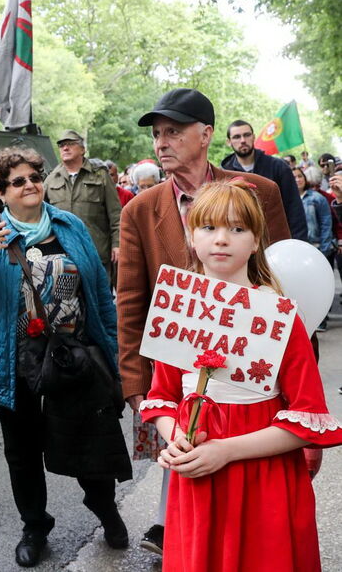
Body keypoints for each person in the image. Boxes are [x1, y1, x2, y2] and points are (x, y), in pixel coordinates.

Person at [117, 88, 292, 555]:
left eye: (173, 132)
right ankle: (182, 540)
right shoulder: (139, 210)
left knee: (249, 483)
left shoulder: (259, 192)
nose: (162, 142)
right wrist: (134, 383)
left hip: (251, 367)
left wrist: (296, 372)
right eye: (157, 134)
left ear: (206, 135)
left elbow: (284, 282)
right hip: (176, 368)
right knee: (185, 459)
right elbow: (131, 301)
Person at [140, 178, 342, 571]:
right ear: (192, 237)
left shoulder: (280, 317)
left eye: (237, 228)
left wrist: (226, 451)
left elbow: (308, 420)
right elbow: (162, 397)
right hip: (198, 476)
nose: (221, 239)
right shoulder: (179, 309)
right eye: (209, 227)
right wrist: (176, 437)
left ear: (255, 241)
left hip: (263, 477)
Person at [0, 147, 131, 568]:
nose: (30, 185)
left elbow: (98, 291)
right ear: (0, 192)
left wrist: (114, 352)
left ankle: (106, 510)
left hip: (72, 356)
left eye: (35, 177)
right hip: (15, 363)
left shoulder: (69, 225)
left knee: (88, 440)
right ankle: (35, 526)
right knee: (22, 452)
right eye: (18, 181)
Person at [43, 130, 122, 278]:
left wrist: (117, 244)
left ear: (82, 149)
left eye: (70, 144)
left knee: (100, 292)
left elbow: (116, 214)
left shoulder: (100, 175)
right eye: (61, 145)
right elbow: (41, 215)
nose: (65, 148)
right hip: (63, 255)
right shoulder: (51, 179)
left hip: (96, 253)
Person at [220, 120, 307, 240]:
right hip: (237, 241)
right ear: (229, 142)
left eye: (247, 135)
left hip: (275, 240)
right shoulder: (223, 174)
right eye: (236, 137)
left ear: (253, 137)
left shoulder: (278, 167)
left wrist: (297, 244)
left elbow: (294, 209)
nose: (243, 140)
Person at [295, 166, 334, 332]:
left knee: (318, 286)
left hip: (316, 246)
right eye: (293, 177)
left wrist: (325, 248)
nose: (297, 179)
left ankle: (321, 319)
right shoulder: (287, 199)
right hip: (296, 250)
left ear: (305, 179)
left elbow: (326, 223)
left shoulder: (317, 198)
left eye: (300, 176)